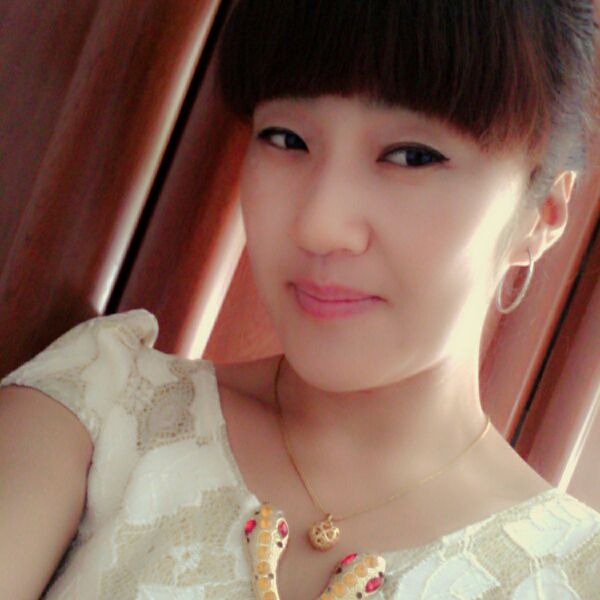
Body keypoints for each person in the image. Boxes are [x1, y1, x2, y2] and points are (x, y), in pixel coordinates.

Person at [1, 1, 600, 598]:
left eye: (412, 156)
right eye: (285, 139)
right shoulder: (99, 409)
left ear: (541, 215)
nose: (318, 225)